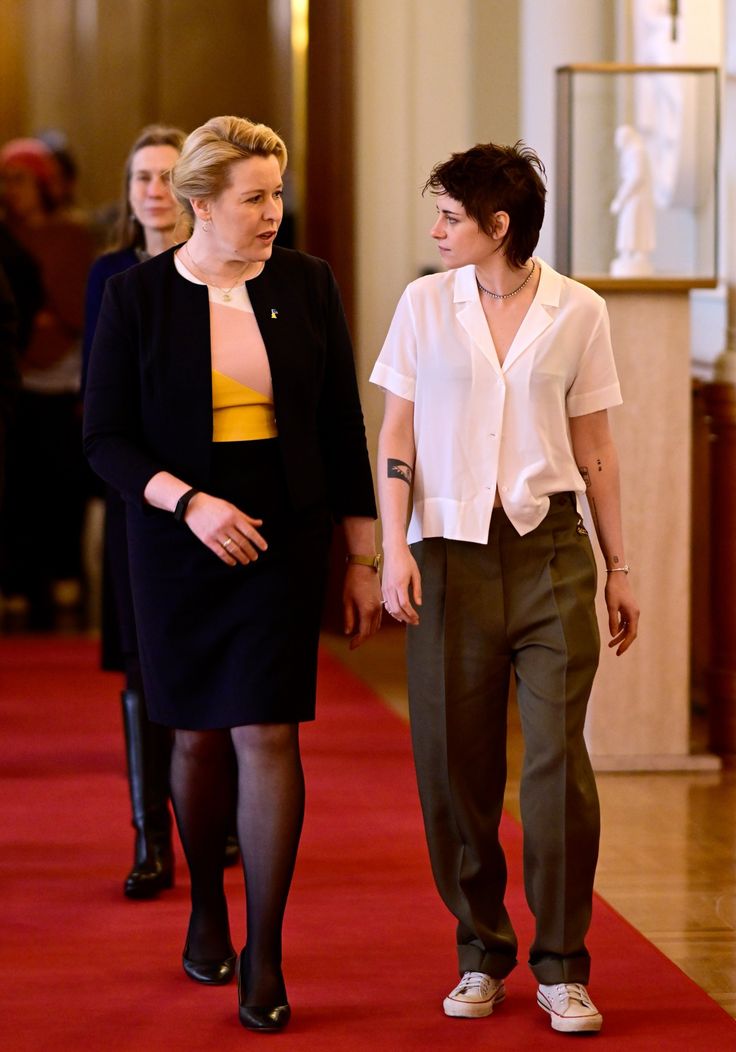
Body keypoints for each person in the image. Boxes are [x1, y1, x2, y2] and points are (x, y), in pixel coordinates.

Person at [84, 115, 381, 1032]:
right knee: (198, 739)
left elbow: (340, 428)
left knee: (268, 733)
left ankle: (266, 948)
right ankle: (207, 908)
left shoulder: (306, 282)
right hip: (176, 541)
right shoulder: (137, 298)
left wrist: (364, 554)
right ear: (199, 205)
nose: (271, 214)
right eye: (254, 198)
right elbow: (103, 437)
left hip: (281, 537)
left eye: (276, 196)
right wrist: (189, 503)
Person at [371, 141, 639, 1035]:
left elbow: (595, 444)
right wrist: (394, 548)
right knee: (456, 769)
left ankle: (563, 965)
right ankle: (481, 950)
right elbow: (395, 432)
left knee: (558, 766)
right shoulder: (422, 304)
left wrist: (620, 565)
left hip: (552, 550)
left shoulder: (578, 311)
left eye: (450, 217)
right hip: (445, 554)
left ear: (499, 227)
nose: (436, 230)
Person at [82, 124, 232, 901]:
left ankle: (220, 816)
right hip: (141, 498)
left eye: (166, 175)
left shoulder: (234, 273)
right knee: (144, 672)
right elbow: (100, 402)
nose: (152, 189)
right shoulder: (113, 276)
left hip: (218, 497)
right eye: (140, 176)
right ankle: (152, 837)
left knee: (224, 666)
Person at [0, 137, 94, 627]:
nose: (10, 190)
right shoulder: (4, 238)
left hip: (64, 382)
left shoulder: (72, 236)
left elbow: (76, 308)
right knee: (16, 487)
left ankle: (64, 575)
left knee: (62, 484)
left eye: (19, 178)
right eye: (4, 180)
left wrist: (48, 316)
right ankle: (16, 580)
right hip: (15, 382)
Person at [609, 124, 656, 277]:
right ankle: (630, 253)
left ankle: (637, 252)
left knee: (635, 224)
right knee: (631, 225)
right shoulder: (632, 151)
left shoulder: (637, 151)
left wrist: (621, 199)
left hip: (637, 197)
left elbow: (636, 177)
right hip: (634, 197)